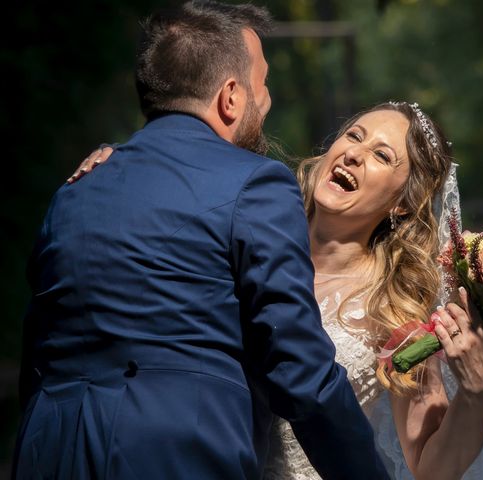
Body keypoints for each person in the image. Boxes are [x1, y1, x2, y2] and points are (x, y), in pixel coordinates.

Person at [12, 2, 392, 479]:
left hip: (49, 449)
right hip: (175, 453)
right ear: (230, 97)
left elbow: (39, 349)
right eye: (263, 83)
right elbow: (300, 369)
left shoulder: (76, 188)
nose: (267, 100)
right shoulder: (255, 183)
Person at [73, 102, 483, 479]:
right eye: (353, 135)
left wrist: (472, 392)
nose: (354, 154)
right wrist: (123, 166)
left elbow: (429, 466)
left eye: (380, 155)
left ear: (401, 204)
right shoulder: (239, 232)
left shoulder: (395, 311)